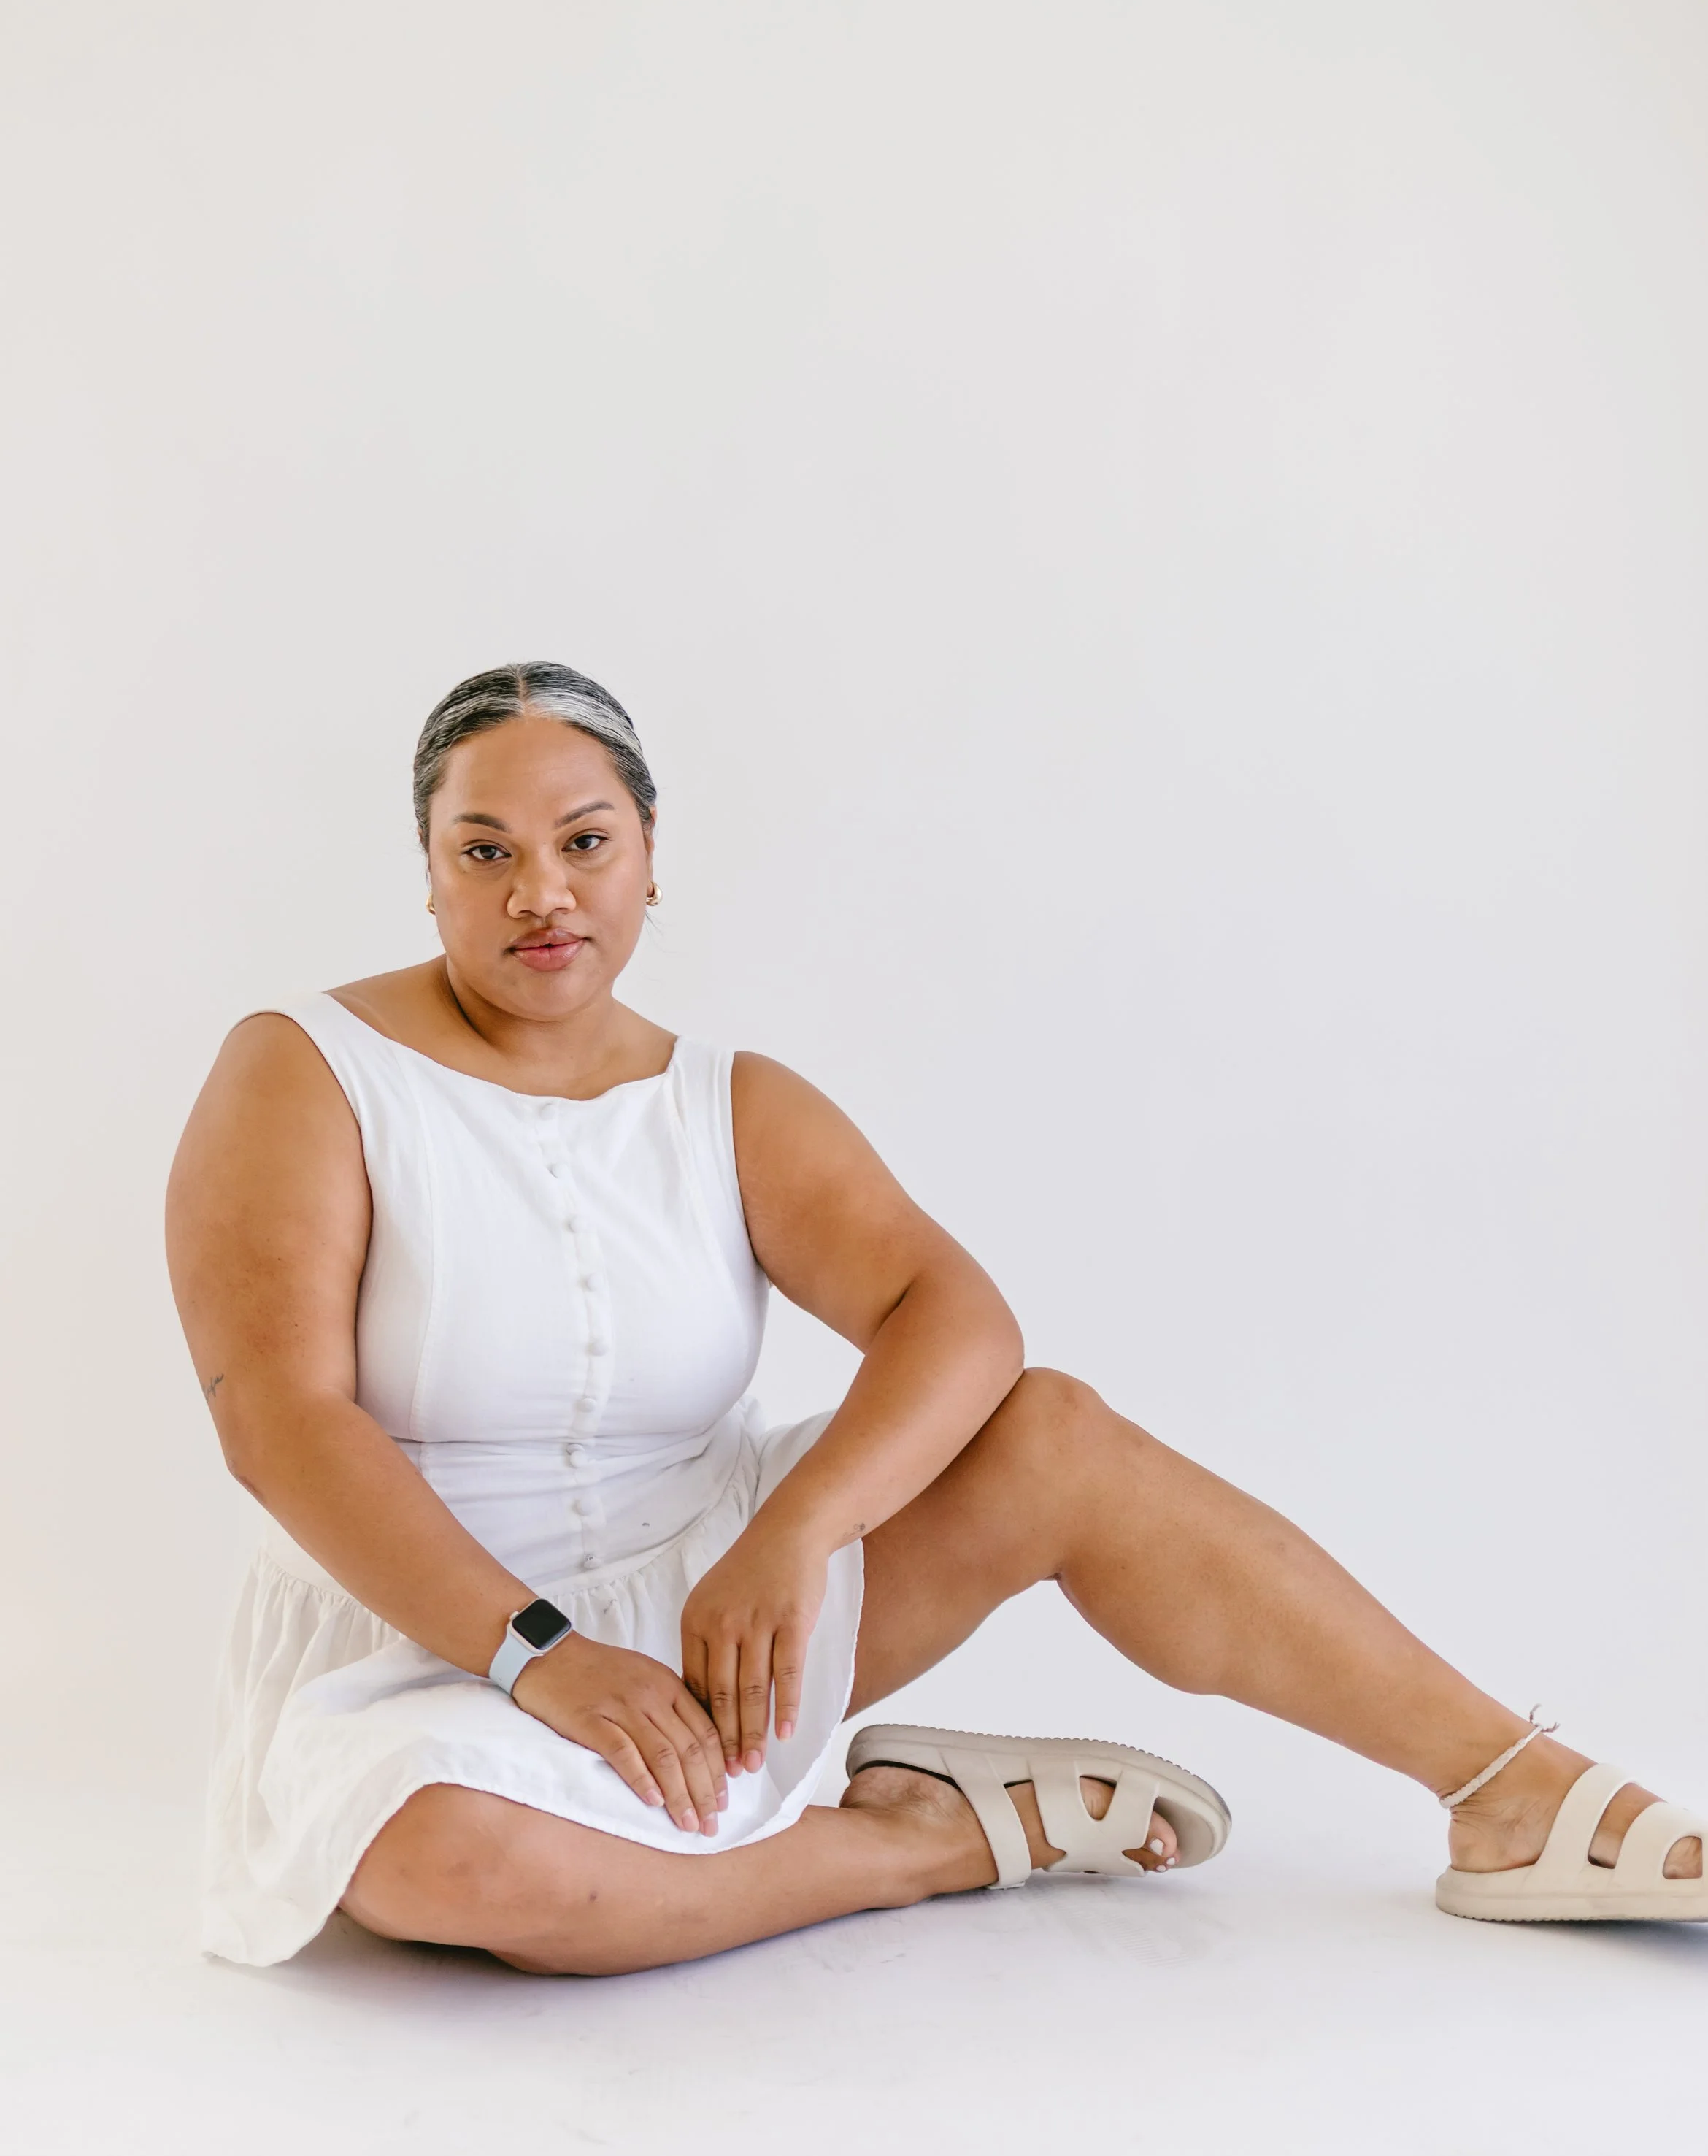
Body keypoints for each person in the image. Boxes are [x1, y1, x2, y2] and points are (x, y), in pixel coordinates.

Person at [166, 662, 1707, 1975]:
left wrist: (789, 1535)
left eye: (583, 840)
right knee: (447, 1870)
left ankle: (1507, 1788)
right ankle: (920, 1842)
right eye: (484, 849)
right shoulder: (305, 1068)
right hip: (433, 1640)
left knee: (1056, 1435)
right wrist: (540, 1656)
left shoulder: (726, 1098)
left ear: (649, 856)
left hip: (717, 1614)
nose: (540, 891)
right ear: (426, 868)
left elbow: (955, 1316)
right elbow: (281, 1422)